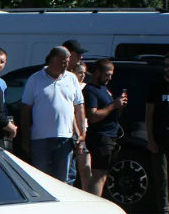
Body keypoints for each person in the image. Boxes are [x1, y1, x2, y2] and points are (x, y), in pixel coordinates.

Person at [20, 47, 85, 183]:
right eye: (63, 62)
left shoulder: (71, 78)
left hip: (65, 138)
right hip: (40, 139)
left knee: (62, 181)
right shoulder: (35, 79)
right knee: (39, 180)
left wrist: (82, 133)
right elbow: (25, 110)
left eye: (67, 62)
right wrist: (25, 139)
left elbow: (79, 106)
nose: (66, 65)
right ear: (52, 61)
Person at [84, 59, 126, 198]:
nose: (109, 78)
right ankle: (92, 206)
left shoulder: (104, 89)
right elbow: (93, 116)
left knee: (103, 174)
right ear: (97, 72)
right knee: (99, 174)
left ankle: (94, 203)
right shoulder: (90, 90)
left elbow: (109, 111)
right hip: (100, 137)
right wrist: (113, 105)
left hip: (110, 136)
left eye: (111, 75)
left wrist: (119, 106)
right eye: (107, 74)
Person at [146, 52, 169, 214]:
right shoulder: (156, 86)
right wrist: (151, 139)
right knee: (161, 177)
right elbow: (149, 114)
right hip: (160, 138)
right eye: (166, 65)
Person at [71, 61, 90, 189]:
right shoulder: (70, 87)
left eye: (84, 73)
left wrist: (82, 133)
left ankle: (87, 193)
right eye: (80, 73)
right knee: (70, 170)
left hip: (85, 130)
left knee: (85, 168)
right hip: (72, 131)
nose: (82, 75)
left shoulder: (86, 88)